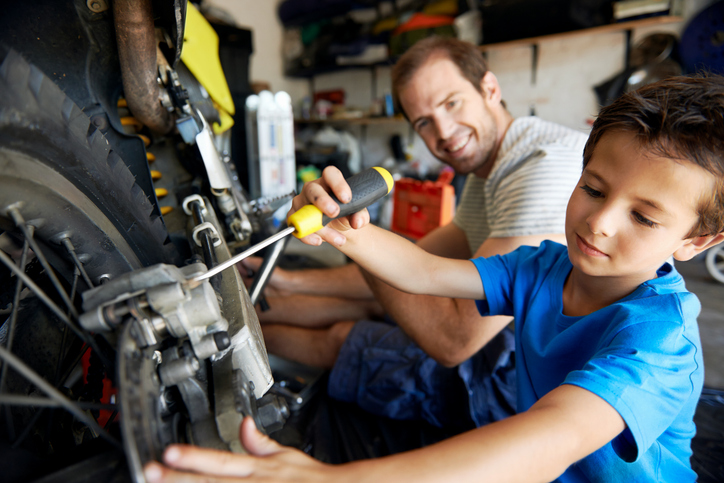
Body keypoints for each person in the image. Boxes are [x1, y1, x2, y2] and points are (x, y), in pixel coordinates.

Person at [144, 73, 724, 482]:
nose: (598, 222)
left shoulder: (659, 344)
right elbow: (423, 272)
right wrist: (345, 230)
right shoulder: (545, 266)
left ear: (696, 242)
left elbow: (553, 438)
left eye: (644, 216)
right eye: (593, 189)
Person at [243, 36, 588, 429]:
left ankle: (237, 346)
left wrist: (351, 236)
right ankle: (242, 324)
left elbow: (453, 338)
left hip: (535, 386)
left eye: (452, 102)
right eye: (424, 122)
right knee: (375, 303)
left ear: (489, 89)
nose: (443, 132)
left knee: (348, 336)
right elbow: (416, 265)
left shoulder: (542, 167)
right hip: (508, 343)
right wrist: (288, 282)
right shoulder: (489, 169)